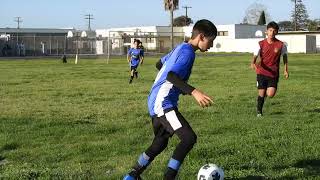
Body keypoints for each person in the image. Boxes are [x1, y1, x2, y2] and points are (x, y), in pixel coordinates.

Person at [124, 19, 217, 180]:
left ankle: (131, 176)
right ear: (201, 36)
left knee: (160, 143)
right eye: (211, 41)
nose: (212, 45)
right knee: (188, 138)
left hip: (155, 100)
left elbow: (159, 64)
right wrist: (194, 92)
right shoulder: (188, 53)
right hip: (163, 102)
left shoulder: (180, 47)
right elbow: (171, 75)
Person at [251, 21, 289, 117]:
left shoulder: (281, 45)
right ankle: (259, 112)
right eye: (270, 30)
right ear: (266, 31)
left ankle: (263, 95)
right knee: (261, 93)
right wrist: (253, 63)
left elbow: (285, 57)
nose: (272, 33)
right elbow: (255, 55)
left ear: (277, 32)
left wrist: (285, 70)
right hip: (262, 71)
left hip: (273, 73)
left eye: (274, 31)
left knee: (270, 94)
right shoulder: (260, 44)